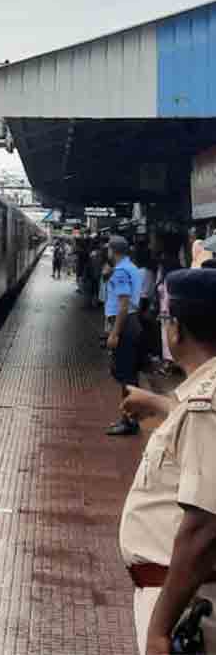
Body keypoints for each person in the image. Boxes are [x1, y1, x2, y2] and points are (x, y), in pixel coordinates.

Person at [119, 269, 216, 655]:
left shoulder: (205, 406)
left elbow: (204, 527)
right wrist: (161, 404)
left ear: (175, 329)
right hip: (185, 595)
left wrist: (159, 629)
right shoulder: (200, 400)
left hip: (185, 603)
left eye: (163, 318)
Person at [104, 235, 143, 436]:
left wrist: (114, 333)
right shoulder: (133, 268)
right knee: (130, 376)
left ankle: (129, 422)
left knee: (126, 377)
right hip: (132, 322)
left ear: (113, 251)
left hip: (124, 325)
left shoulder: (120, 272)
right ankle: (130, 418)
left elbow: (123, 305)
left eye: (108, 250)